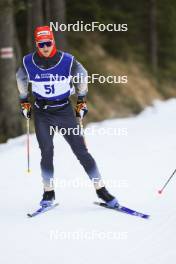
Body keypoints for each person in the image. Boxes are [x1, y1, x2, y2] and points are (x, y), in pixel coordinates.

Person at [16, 25, 118, 208]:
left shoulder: (67, 60)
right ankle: (48, 193)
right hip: (42, 112)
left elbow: (82, 75)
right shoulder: (28, 62)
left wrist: (81, 100)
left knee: (81, 151)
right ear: (37, 45)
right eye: (41, 44)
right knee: (46, 152)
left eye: (48, 43)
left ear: (53, 42)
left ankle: (102, 190)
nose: (45, 47)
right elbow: (20, 78)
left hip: (64, 111)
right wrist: (24, 101)